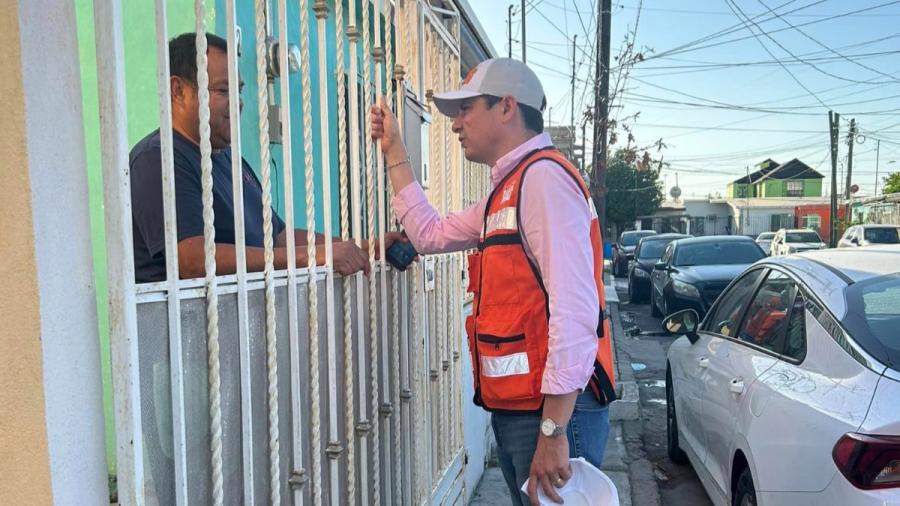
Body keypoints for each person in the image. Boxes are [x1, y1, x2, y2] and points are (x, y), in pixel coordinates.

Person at [370, 58, 617, 506]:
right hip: (525, 412)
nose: (456, 124)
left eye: (466, 109)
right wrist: (393, 149)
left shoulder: (543, 179)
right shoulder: (511, 187)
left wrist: (554, 430)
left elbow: (577, 311)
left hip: (554, 413)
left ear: (507, 107)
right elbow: (430, 233)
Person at [130, 32, 397, 283]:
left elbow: (278, 237)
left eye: (239, 91)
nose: (239, 102)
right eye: (223, 90)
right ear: (178, 91)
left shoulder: (227, 159)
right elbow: (192, 259)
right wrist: (313, 256)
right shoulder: (158, 159)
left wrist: (363, 247)